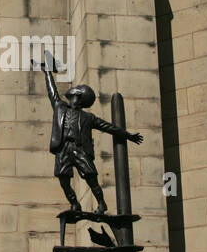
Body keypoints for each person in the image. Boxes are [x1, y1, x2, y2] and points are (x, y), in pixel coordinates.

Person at [42, 60, 141, 215]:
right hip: (63, 148)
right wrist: (47, 72)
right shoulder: (60, 108)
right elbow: (52, 91)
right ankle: (75, 204)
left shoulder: (88, 117)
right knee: (63, 179)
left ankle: (101, 204)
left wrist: (128, 135)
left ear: (79, 97)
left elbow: (109, 127)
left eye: (75, 94)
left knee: (91, 177)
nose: (72, 96)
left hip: (79, 148)